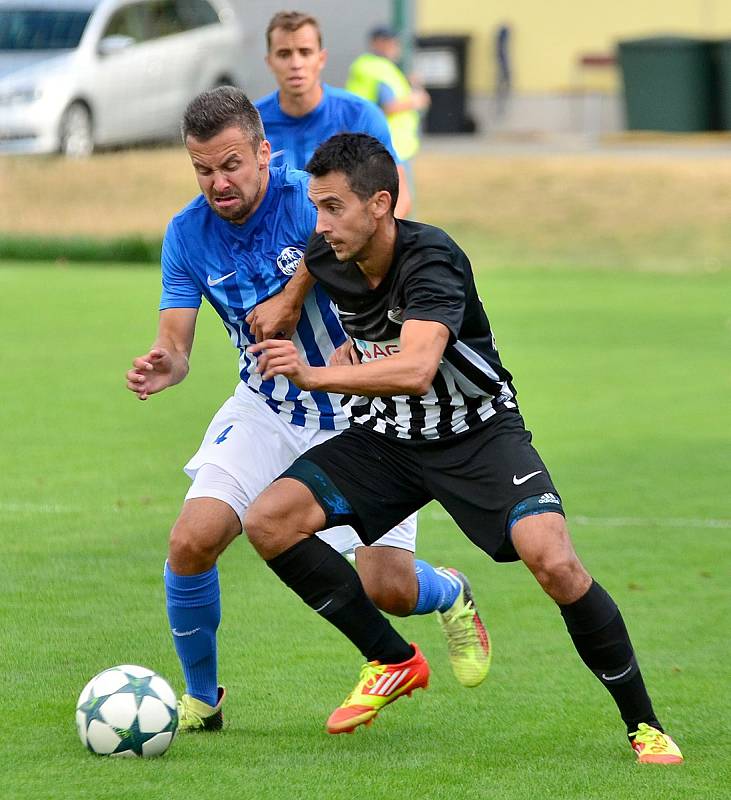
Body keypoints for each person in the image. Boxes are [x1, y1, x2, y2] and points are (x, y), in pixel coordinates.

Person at [244, 133, 684, 762]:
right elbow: (315, 264)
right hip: (389, 437)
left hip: (477, 433)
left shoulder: (433, 259)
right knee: (270, 521)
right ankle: (392, 659)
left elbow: (418, 367)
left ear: (381, 205)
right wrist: (287, 305)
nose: (321, 224)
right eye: (316, 207)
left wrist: (313, 373)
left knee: (553, 560)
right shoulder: (328, 248)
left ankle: (644, 724)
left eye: (334, 207)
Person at [125, 88, 490, 733]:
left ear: (265, 154)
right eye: (203, 170)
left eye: (232, 163)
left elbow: (376, 237)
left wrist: (294, 292)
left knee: (390, 590)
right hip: (268, 408)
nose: (219, 182)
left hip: (359, 413)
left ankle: (449, 591)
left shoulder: (311, 198)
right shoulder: (186, 234)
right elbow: (177, 345)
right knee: (190, 542)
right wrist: (164, 362)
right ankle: (203, 699)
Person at [256, 10, 412, 217]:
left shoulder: (360, 116)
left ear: (321, 58)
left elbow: (399, 196)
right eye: (284, 54)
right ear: (269, 62)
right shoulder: (252, 123)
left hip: (348, 245)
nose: (296, 64)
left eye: (305, 52)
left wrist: (370, 245)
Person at [346, 26, 429, 195]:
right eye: (392, 42)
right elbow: (388, 106)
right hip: (389, 145)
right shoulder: (379, 69)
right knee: (395, 199)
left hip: (378, 144)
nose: (396, 46)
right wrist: (415, 100)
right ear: (378, 43)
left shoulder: (371, 66)